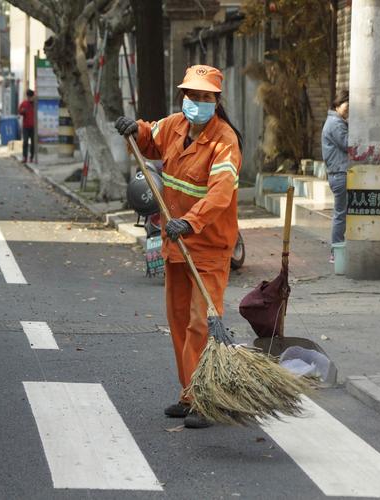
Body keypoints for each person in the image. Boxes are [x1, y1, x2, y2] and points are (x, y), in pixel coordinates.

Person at [114, 65, 243, 429]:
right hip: (176, 243)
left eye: (204, 97)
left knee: (201, 323)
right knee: (179, 321)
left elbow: (220, 192)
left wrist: (191, 221)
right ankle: (189, 394)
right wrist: (133, 129)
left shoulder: (225, 142)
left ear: (216, 101)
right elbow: (148, 136)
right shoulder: (174, 126)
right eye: (191, 96)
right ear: (183, 97)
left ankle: (206, 400)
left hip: (208, 246)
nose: (196, 102)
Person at [321, 89, 349, 263]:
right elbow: (348, 144)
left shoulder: (335, 121)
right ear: (338, 105)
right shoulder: (336, 123)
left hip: (338, 174)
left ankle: (339, 250)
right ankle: (336, 252)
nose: (349, 109)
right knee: (340, 214)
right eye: (347, 105)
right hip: (340, 174)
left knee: (342, 213)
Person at [18, 89, 36, 162]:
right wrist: (22, 111)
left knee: (33, 143)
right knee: (25, 142)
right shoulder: (24, 103)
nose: (29, 98)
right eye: (28, 97)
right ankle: (24, 157)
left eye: (30, 97)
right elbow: (19, 111)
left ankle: (31, 157)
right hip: (26, 126)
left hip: (34, 126)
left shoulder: (35, 104)